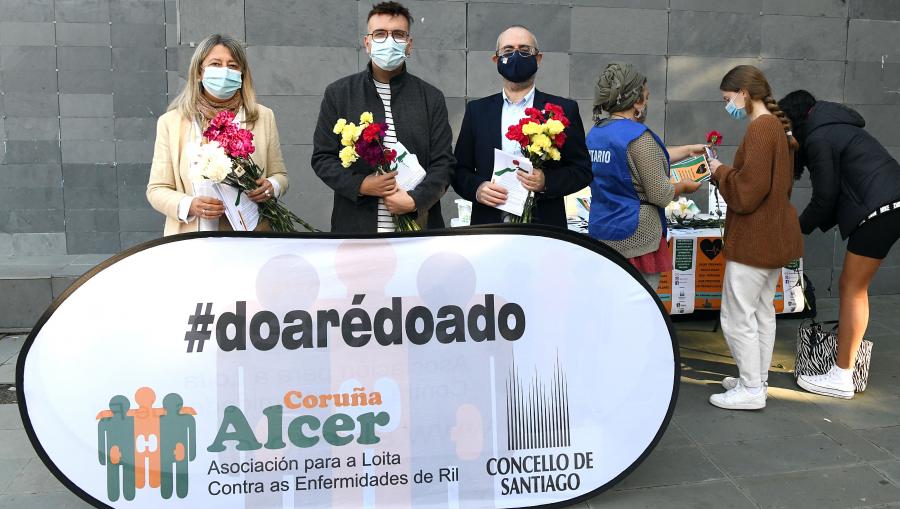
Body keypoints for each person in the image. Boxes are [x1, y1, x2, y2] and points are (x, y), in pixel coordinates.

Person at [779, 90, 900, 399]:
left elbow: (825, 198)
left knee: (852, 288)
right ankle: (844, 368)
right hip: (889, 204)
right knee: (852, 286)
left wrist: (794, 229)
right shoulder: (833, 126)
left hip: (881, 210)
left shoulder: (820, 138)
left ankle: (842, 374)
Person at [707, 65, 803, 410]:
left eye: (727, 98)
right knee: (762, 312)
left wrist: (720, 171)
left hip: (754, 237)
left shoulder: (761, 129)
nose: (727, 104)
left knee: (737, 315)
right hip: (772, 235)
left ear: (743, 93)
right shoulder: (774, 126)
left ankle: (750, 388)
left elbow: (748, 192)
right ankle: (755, 379)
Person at [311, 1, 454, 233]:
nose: (389, 41)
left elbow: (444, 164)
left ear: (409, 44)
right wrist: (362, 184)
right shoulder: (339, 94)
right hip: (357, 230)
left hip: (418, 230)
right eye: (380, 34)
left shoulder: (431, 97)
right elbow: (323, 158)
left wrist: (415, 200)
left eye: (398, 34)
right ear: (367, 43)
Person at [147, 34, 289, 235]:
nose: (225, 71)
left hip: (251, 236)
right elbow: (157, 189)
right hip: (193, 239)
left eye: (232, 66)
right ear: (199, 72)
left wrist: (271, 186)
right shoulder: (171, 122)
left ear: (241, 74)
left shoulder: (263, 116)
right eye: (216, 63)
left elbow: (280, 176)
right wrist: (190, 205)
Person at [451, 25, 591, 227]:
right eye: (508, 50)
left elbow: (582, 170)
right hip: (489, 227)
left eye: (525, 51)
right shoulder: (477, 111)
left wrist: (546, 182)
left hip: (545, 229)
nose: (516, 55)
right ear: (496, 60)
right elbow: (459, 170)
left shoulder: (561, 111)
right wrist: (478, 188)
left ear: (538, 59)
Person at [587, 62, 705, 289]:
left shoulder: (596, 133)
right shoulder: (639, 137)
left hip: (602, 230)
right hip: (636, 238)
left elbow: (631, 163)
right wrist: (684, 187)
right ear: (636, 101)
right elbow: (660, 194)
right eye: (646, 97)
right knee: (638, 310)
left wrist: (688, 150)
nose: (647, 102)